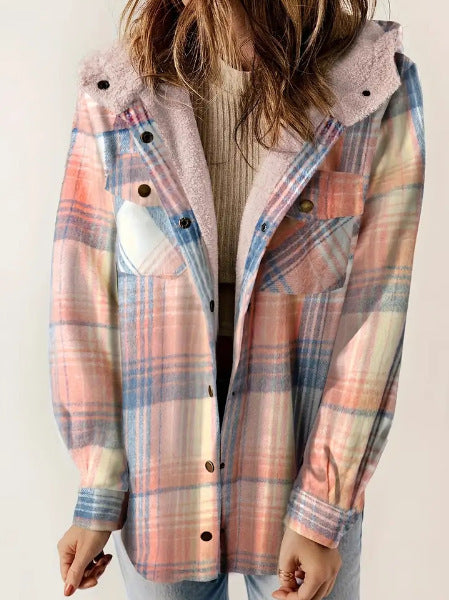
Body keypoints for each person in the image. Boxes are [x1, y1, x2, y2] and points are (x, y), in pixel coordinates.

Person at [48, 1, 425, 599]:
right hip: (159, 469)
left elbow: (376, 311)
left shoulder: (370, 84)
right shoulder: (119, 92)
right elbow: (83, 303)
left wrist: (323, 508)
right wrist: (99, 487)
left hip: (298, 462)